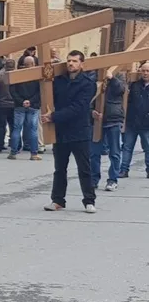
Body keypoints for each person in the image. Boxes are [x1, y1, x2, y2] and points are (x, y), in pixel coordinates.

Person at [43, 50, 97, 213]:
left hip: (79, 131)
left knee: (84, 168)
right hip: (61, 131)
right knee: (60, 168)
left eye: (74, 61)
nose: (71, 64)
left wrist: (54, 116)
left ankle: (89, 201)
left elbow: (78, 108)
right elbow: (48, 95)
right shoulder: (59, 81)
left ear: (82, 64)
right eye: (69, 61)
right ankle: (57, 200)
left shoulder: (88, 83)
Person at [91, 71, 126, 190]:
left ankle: (112, 180)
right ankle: (94, 179)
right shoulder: (93, 76)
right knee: (94, 153)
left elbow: (121, 90)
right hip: (97, 122)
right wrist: (91, 112)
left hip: (113, 119)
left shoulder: (119, 75)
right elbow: (88, 97)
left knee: (114, 152)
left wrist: (112, 78)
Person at [9, 54, 42, 160]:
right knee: (33, 130)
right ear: (33, 64)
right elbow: (40, 91)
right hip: (33, 106)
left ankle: (13, 153)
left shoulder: (17, 75)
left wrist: (21, 101)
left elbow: (12, 91)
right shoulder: (37, 75)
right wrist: (30, 101)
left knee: (17, 129)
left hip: (19, 106)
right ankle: (34, 153)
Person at [121, 61, 149, 178]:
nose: (145, 73)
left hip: (147, 124)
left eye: (148, 71)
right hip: (132, 122)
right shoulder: (134, 85)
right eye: (143, 71)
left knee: (148, 148)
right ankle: (124, 170)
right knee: (127, 147)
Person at [0, 58, 16, 152]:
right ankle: (15, 146)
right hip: (14, 104)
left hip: (0, 104)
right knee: (14, 126)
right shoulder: (18, 75)